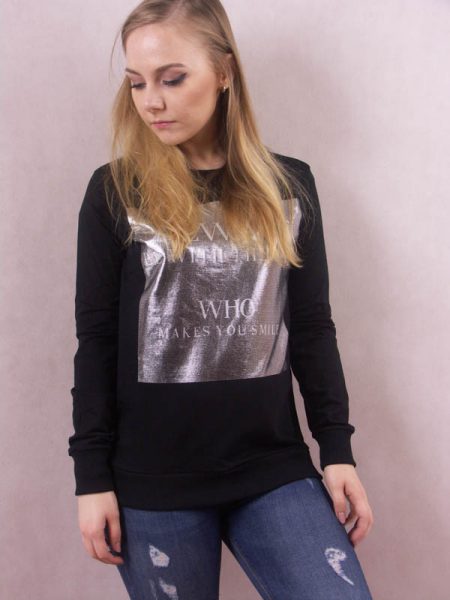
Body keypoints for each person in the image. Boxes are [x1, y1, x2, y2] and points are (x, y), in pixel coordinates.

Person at [67, 1, 374, 598]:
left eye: (172, 78)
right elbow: (96, 342)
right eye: (137, 82)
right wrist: (91, 477)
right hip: (155, 482)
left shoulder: (288, 187)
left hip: (272, 467)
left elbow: (312, 327)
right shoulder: (115, 191)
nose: (151, 101)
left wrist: (337, 450)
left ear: (224, 72)